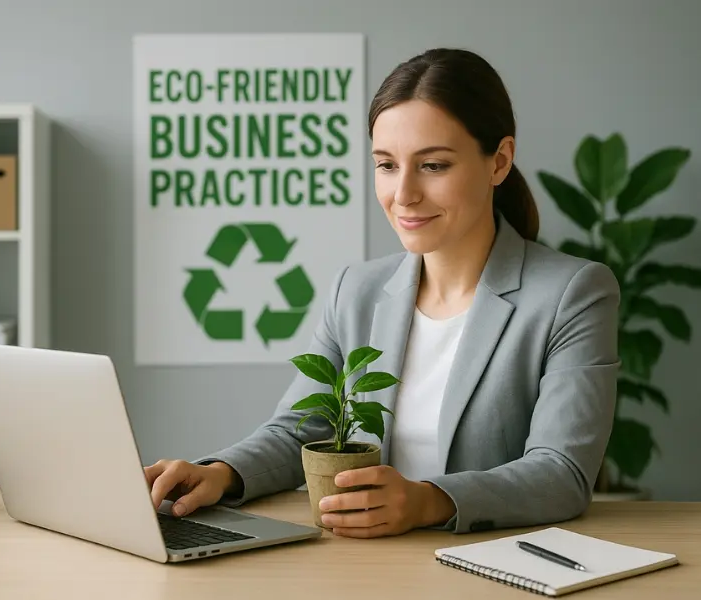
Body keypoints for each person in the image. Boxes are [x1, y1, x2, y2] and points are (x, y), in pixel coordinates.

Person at [144, 47, 620, 538]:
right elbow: (301, 432)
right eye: (387, 165)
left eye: (433, 166)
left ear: (498, 162)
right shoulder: (356, 290)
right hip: (366, 567)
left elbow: (562, 472)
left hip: (492, 567)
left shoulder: (573, 293)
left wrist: (428, 501)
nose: (404, 194)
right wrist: (221, 473)